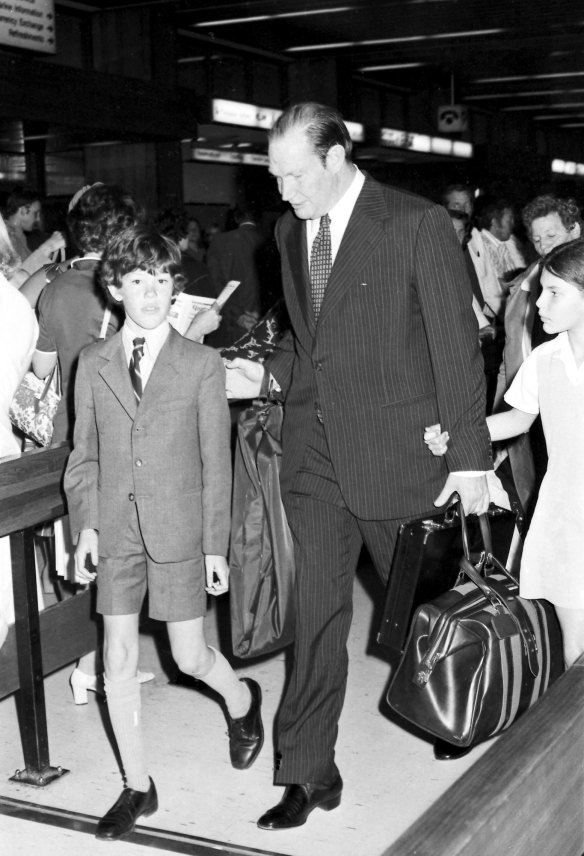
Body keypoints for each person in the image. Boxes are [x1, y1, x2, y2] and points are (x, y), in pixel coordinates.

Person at [225, 102, 492, 829]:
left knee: (418, 614)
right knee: (314, 616)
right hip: (314, 459)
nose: (284, 193)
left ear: (338, 154)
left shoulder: (414, 224)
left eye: (295, 175)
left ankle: (453, 707)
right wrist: (259, 375)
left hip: (395, 455)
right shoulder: (287, 231)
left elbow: (456, 349)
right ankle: (308, 771)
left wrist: (470, 461)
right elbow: (314, 344)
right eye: (275, 178)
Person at [63, 225, 263, 841]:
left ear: (175, 289)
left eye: (161, 281)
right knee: (117, 658)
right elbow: (84, 454)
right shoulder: (91, 362)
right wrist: (86, 527)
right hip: (118, 530)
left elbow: (215, 461)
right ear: (115, 288)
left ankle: (241, 702)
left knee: (188, 656)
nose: (151, 293)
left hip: (179, 530)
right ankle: (138, 785)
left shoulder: (202, 364)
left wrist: (214, 546)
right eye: (137, 281)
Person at [425, 237, 584, 670]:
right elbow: (516, 420)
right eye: (541, 292)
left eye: (555, 294)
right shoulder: (545, 359)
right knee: (577, 646)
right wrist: (458, 435)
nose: (540, 306)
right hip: (565, 515)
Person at [205, 205, 264, 347]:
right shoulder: (270, 241)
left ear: (236, 218)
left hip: (229, 325)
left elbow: (215, 284)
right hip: (262, 325)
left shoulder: (220, 241)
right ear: (259, 219)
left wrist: (237, 315)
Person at [4, 186, 66, 284]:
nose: (37, 219)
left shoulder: (20, 237)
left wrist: (61, 278)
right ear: (23, 210)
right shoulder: (7, 238)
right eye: (35, 213)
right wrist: (47, 247)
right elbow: (18, 278)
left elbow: (34, 270)